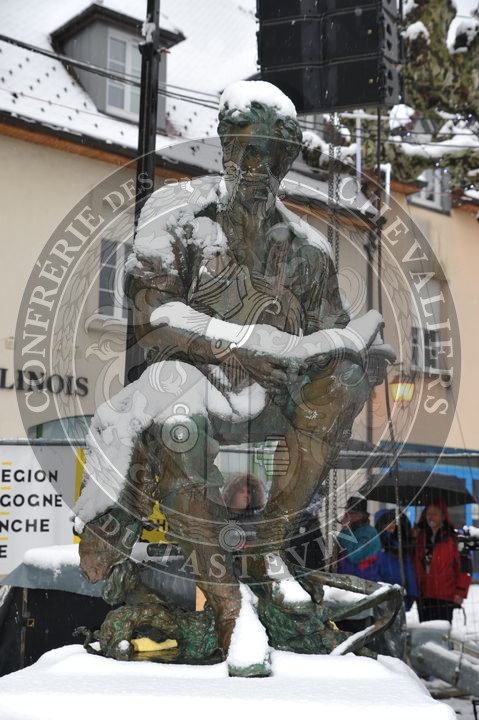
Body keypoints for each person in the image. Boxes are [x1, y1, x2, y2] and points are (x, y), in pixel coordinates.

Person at [76, 80, 394, 662]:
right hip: (187, 388)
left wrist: (356, 357)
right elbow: (152, 314)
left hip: (273, 403)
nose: (254, 166)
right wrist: (241, 349)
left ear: (285, 163)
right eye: (244, 149)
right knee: (180, 417)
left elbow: (333, 333)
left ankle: (268, 549)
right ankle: (230, 607)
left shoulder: (310, 251)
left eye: (269, 154)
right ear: (224, 148)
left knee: (347, 378)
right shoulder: (177, 215)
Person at [414, 501, 471, 622]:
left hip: (445, 596)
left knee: (442, 631)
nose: (430, 517)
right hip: (424, 596)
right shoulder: (420, 538)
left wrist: (460, 592)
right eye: (428, 514)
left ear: (443, 516)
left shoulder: (454, 539)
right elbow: (414, 564)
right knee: (424, 631)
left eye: (435, 514)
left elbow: (464, 568)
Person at [336, 493, 381, 633]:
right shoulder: (350, 531)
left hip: (362, 588)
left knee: (359, 630)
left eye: (353, 513)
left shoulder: (368, 533)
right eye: (347, 513)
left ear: (362, 515)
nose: (349, 516)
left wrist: (346, 530)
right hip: (345, 587)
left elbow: (355, 556)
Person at [375, 509, 418, 610]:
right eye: (387, 522)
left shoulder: (401, 544)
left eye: (394, 522)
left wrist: (411, 592)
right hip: (382, 592)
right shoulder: (377, 545)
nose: (392, 525)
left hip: (399, 592)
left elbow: (408, 570)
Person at [222, 472, 266, 550]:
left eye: (249, 492)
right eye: (241, 491)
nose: (246, 495)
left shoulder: (260, 520)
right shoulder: (220, 520)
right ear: (231, 493)